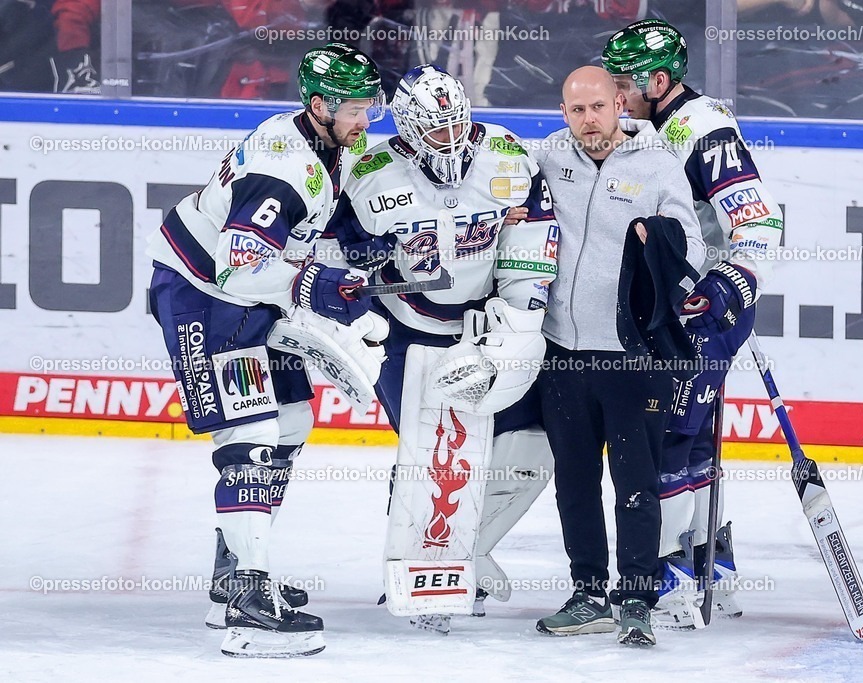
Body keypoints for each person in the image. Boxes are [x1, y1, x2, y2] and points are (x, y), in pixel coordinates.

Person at [146, 43, 388, 657]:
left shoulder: (325, 141)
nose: (366, 120)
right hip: (203, 296)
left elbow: (320, 213)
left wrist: (367, 246)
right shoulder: (281, 170)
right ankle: (248, 604)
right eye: (356, 109)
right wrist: (317, 283)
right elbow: (237, 267)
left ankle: (233, 578)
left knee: (292, 419)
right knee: (249, 435)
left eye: (369, 106)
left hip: (252, 298)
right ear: (319, 106)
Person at [333, 63, 559, 635]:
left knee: (531, 449)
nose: (451, 138)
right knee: (430, 456)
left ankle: (468, 553)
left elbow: (533, 240)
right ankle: (420, 569)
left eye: (457, 123)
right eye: (437, 128)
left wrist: (517, 324)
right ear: (409, 128)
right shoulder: (370, 172)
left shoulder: (507, 155)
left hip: (486, 327)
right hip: (406, 330)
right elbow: (333, 252)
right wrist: (357, 263)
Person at [602, 18, 785, 627]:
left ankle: (671, 577)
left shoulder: (702, 128)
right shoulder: (652, 126)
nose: (615, 93)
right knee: (692, 440)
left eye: (623, 82)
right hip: (684, 307)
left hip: (707, 306)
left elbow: (759, 222)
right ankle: (711, 565)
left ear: (658, 82)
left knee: (670, 440)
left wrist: (727, 288)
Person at [532, 65, 705, 647]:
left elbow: (692, 247)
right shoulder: (547, 158)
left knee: (636, 484)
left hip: (634, 357)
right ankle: (588, 595)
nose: (589, 120)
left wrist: (661, 239)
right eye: (577, 110)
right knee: (574, 483)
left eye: (598, 107)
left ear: (620, 105)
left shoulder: (657, 164)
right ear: (564, 113)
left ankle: (636, 599)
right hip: (562, 352)